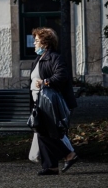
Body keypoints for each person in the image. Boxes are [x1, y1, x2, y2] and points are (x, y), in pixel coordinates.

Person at [29, 27, 79, 175]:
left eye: (37, 41)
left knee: (45, 132)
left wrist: (45, 82)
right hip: (41, 102)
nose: (34, 44)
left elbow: (62, 75)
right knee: (43, 132)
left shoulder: (54, 57)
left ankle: (69, 155)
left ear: (45, 43)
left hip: (50, 103)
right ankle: (51, 166)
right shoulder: (39, 58)